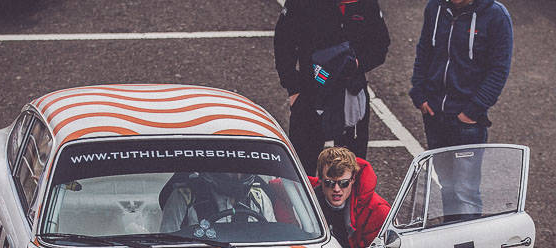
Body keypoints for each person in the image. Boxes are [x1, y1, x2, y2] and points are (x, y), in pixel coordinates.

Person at [409, 0, 513, 221]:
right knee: (447, 186)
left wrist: (472, 112)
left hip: (467, 123)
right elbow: (424, 49)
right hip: (435, 116)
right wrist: (419, 94)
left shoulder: (496, 16)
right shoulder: (435, 7)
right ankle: (452, 241)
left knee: (466, 192)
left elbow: (499, 69)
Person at [274, 0, 391, 175]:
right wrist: (293, 88)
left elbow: (381, 44)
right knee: (302, 170)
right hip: (309, 92)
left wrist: (358, 62)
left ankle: (346, 202)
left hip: (350, 94)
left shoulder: (366, 4)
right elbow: (283, 42)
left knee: (351, 169)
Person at [159, 172, 276, 233]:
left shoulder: (258, 196)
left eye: (242, 170)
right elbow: (167, 241)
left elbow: (274, 237)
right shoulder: (185, 196)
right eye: (230, 171)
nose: (238, 176)